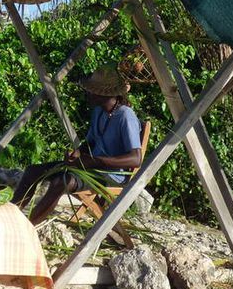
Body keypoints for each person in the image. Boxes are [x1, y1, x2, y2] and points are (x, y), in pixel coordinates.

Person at [12, 66, 143, 225]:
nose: (88, 94)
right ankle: (12, 217)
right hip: (89, 165)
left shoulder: (125, 116)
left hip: (111, 175)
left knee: (62, 181)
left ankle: (27, 226)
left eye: (91, 91)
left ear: (103, 94)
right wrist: (78, 153)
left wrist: (96, 161)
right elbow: (90, 142)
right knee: (33, 171)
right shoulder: (99, 111)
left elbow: (136, 159)